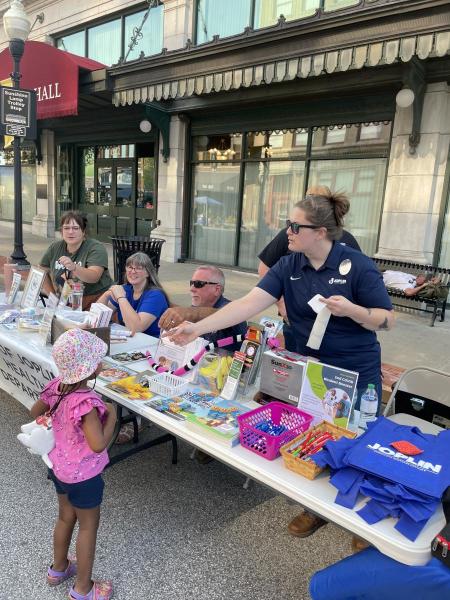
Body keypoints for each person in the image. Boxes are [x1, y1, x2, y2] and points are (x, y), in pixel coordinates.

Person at [166, 190, 394, 536]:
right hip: (310, 365)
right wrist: (195, 327)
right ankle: (314, 508)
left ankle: (364, 525)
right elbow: (246, 304)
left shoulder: (357, 266)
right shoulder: (290, 265)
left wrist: (354, 311)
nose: (286, 231)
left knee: (358, 437)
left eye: (294, 226)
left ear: (319, 232)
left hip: (355, 371)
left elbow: (387, 320)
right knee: (315, 434)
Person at [29, 328, 116, 600]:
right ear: (87, 370)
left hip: (58, 468)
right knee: (88, 526)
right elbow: (98, 444)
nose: (101, 364)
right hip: (85, 476)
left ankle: (58, 569)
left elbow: (35, 412)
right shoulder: (87, 403)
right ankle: (83, 589)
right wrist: (112, 414)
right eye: (97, 361)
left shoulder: (56, 386)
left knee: (65, 516)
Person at [258, 185, 361, 351]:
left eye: (311, 199)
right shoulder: (292, 236)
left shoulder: (348, 243)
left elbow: (379, 311)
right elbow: (264, 270)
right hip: (296, 322)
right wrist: (282, 305)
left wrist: (353, 311)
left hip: (333, 327)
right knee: (296, 365)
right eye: (306, 198)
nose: (306, 203)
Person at [158, 265, 247, 352]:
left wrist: (190, 313)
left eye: (198, 284)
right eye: (191, 283)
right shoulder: (198, 307)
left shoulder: (231, 310)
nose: (191, 289)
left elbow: (226, 314)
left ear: (217, 289)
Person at [39, 211, 113, 310]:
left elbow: (94, 276)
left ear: (83, 231)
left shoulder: (95, 247)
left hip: (96, 300)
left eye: (75, 228)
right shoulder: (55, 247)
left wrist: (74, 267)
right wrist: (52, 295)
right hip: (66, 301)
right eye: (66, 228)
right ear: (61, 231)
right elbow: (42, 270)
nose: (70, 232)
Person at [97, 252, 169, 338]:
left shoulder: (155, 295)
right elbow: (98, 316)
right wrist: (106, 295)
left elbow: (137, 327)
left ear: (148, 273)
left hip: (151, 343)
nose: (133, 271)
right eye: (130, 267)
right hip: (129, 339)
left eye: (138, 268)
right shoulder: (125, 289)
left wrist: (121, 298)